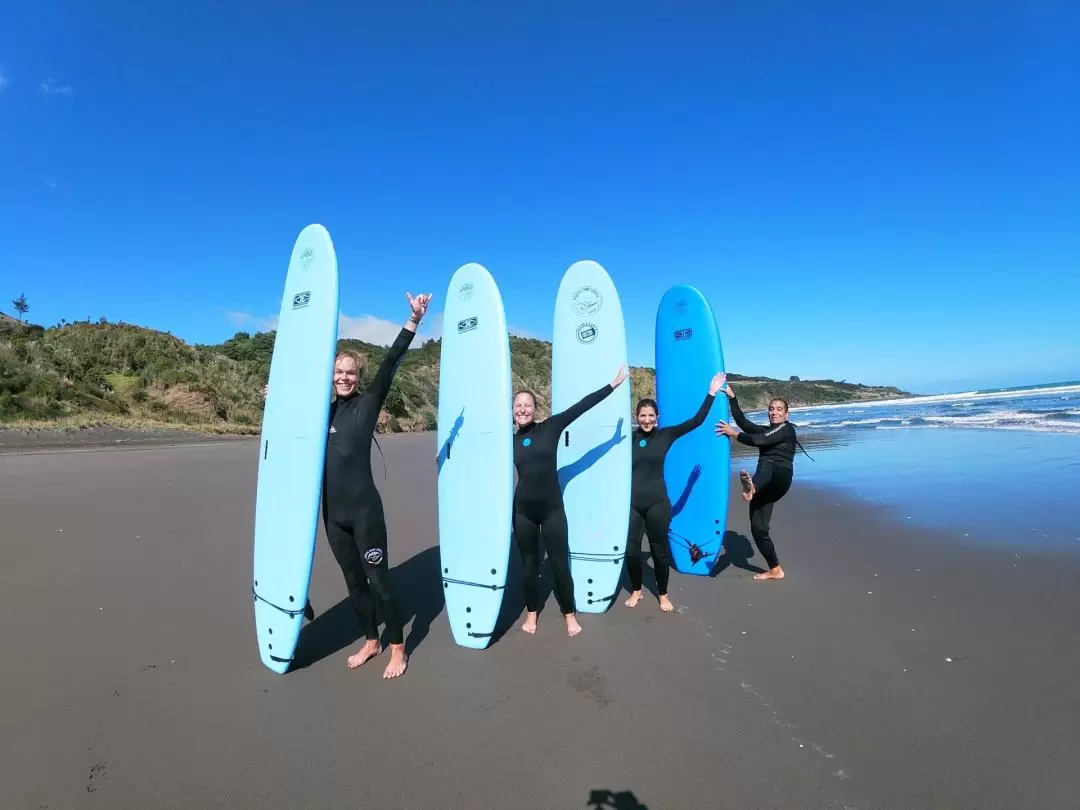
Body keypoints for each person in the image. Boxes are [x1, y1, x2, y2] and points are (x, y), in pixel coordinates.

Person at [267, 291, 432, 678]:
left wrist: (414, 321)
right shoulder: (318, 414)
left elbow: (391, 363)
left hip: (364, 512)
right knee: (353, 583)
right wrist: (275, 401)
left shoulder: (367, 403)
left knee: (379, 583)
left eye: (350, 372)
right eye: (338, 372)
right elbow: (290, 430)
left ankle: (397, 647)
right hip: (333, 515)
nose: (343, 377)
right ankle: (370, 640)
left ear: (358, 378)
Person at [513, 366, 629, 637]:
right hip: (523, 513)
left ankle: (569, 615)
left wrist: (611, 386)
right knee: (529, 567)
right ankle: (532, 614)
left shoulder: (550, 428)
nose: (522, 409)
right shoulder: (508, 439)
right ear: (512, 410)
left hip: (552, 510)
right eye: (518, 405)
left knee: (558, 565)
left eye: (527, 405)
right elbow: (479, 450)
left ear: (535, 408)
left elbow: (581, 407)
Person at [625, 372, 724, 611]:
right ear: (636, 417)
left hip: (658, 502)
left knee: (659, 551)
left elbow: (696, 421)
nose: (647, 420)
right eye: (642, 416)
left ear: (657, 417)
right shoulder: (628, 439)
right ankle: (637, 590)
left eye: (651, 415)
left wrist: (711, 393)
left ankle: (663, 594)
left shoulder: (665, 435)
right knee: (631, 550)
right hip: (632, 503)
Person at [714, 380, 798, 581]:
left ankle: (752, 487)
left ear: (786, 414)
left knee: (767, 459)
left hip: (780, 478)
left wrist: (733, 433)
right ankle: (775, 569)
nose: (774, 412)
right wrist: (732, 398)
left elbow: (760, 441)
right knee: (759, 529)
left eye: (779, 409)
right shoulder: (766, 430)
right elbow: (744, 422)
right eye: (771, 409)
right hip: (764, 483)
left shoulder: (787, 429)